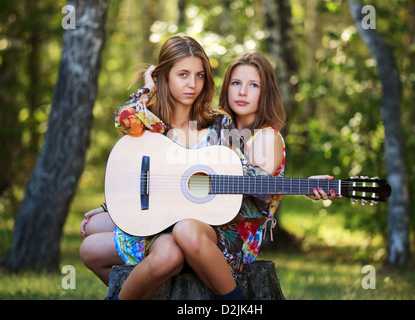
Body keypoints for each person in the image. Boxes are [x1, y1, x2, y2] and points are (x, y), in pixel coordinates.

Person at [83, 35, 276, 300]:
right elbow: (125, 120)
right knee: (92, 236)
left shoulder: (220, 124)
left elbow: (241, 178)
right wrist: (148, 90)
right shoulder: (151, 123)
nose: (192, 84)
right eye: (183, 74)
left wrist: (300, 186)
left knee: (164, 248)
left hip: (206, 232)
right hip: (157, 224)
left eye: (199, 76)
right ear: (165, 76)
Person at [218, 52, 341, 264]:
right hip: (205, 225)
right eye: (236, 82)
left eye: (254, 85)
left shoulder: (265, 137)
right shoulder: (217, 129)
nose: (242, 92)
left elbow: (251, 196)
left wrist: (301, 186)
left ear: (266, 92)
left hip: (234, 241)